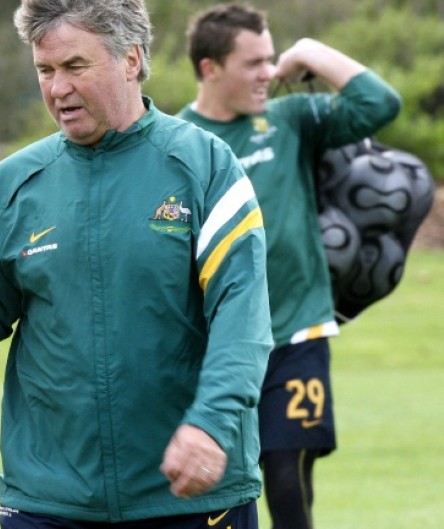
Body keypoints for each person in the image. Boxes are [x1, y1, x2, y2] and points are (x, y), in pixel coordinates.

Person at [0, 0, 273, 526]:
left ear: (131, 60)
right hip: (48, 502)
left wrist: (212, 423)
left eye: (74, 66)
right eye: (45, 70)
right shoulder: (8, 185)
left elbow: (242, 317)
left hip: (192, 495)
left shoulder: (205, 166)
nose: (57, 88)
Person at [176, 4, 402, 529]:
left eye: (271, 59)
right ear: (210, 68)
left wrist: (309, 53)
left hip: (297, 336)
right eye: (253, 63)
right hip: (218, 349)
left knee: (286, 478)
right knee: (215, 491)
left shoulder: (290, 119)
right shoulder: (180, 142)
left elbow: (380, 102)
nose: (268, 73)